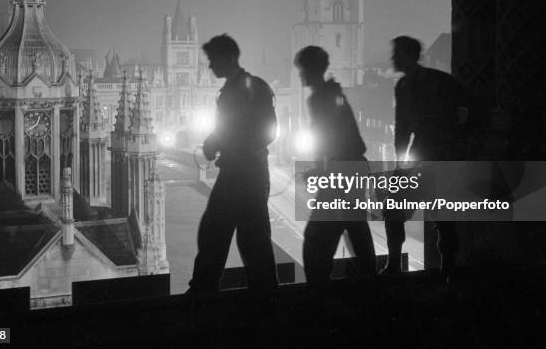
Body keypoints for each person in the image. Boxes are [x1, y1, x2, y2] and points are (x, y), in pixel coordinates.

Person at [188, 34, 279, 296]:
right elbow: (229, 129)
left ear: (227, 58)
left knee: (227, 234)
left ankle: (204, 293)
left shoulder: (251, 88)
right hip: (241, 173)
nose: (209, 66)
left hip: (244, 174)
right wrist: (216, 141)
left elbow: (267, 132)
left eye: (213, 60)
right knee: (244, 237)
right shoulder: (240, 89)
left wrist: (228, 146)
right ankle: (265, 295)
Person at [383, 35, 466, 277]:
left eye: (397, 52)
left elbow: (402, 129)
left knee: (405, 210)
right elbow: (402, 128)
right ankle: (443, 270)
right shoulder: (424, 82)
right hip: (432, 156)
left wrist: (401, 164)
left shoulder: (421, 84)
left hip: (431, 156)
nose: (393, 58)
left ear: (409, 55)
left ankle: (398, 266)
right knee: (439, 215)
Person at [294, 46, 376, 288]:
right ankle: (371, 285)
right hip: (353, 168)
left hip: (342, 172)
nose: (300, 75)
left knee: (316, 239)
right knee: (355, 229)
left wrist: (321, 171)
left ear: (310, 70)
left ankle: (321, 295)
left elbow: (328, 138)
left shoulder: (320, 98)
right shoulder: (331, 92)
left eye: (302, 70)